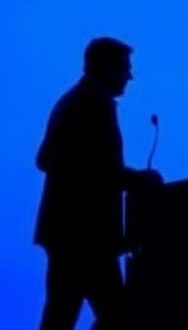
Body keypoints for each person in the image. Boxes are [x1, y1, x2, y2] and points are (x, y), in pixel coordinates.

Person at [33, 37, 162, 330]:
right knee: (116, 317)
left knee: (65, 316)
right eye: (126, 68)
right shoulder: (90, 103)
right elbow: (80, 166)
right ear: (106, 66)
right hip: (83, 237)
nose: (130, 76)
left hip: (73, 236)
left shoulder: (78, 100)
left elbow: (61, 161)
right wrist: (137, 180)